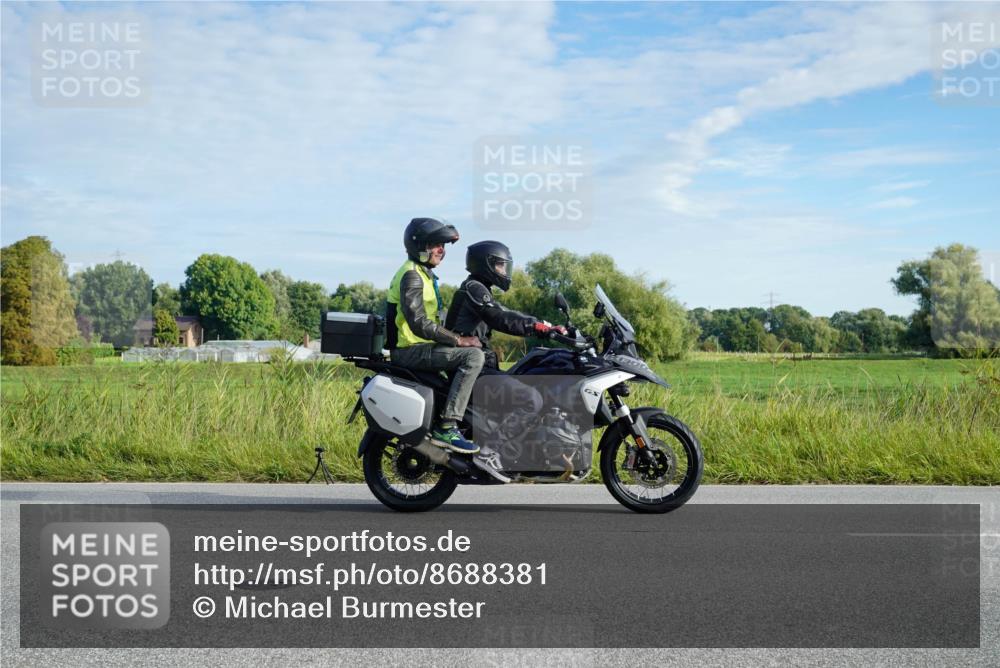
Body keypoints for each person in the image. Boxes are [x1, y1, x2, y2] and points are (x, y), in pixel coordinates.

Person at [446, 241, 568, 477]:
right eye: (500, 265)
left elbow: (504, 312)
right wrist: (538, 327)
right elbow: (500, 318)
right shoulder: (473, 288)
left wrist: (545, 325)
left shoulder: (479, 289)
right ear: (486, 264)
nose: (504, 271)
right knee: (530, 400)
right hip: (471, 370)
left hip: (478, 366)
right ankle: (489, 453)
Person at [386, 218, 483, 454]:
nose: (442, 250)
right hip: (410, 350)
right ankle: (447, 426)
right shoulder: (412, 275)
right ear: (419, 245)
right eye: (437, 245)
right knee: (473, 357)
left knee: (480, 354)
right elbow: (418, 322)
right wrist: (457, 340)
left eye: (444, 245)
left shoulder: (423, 273)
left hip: (421, 347)